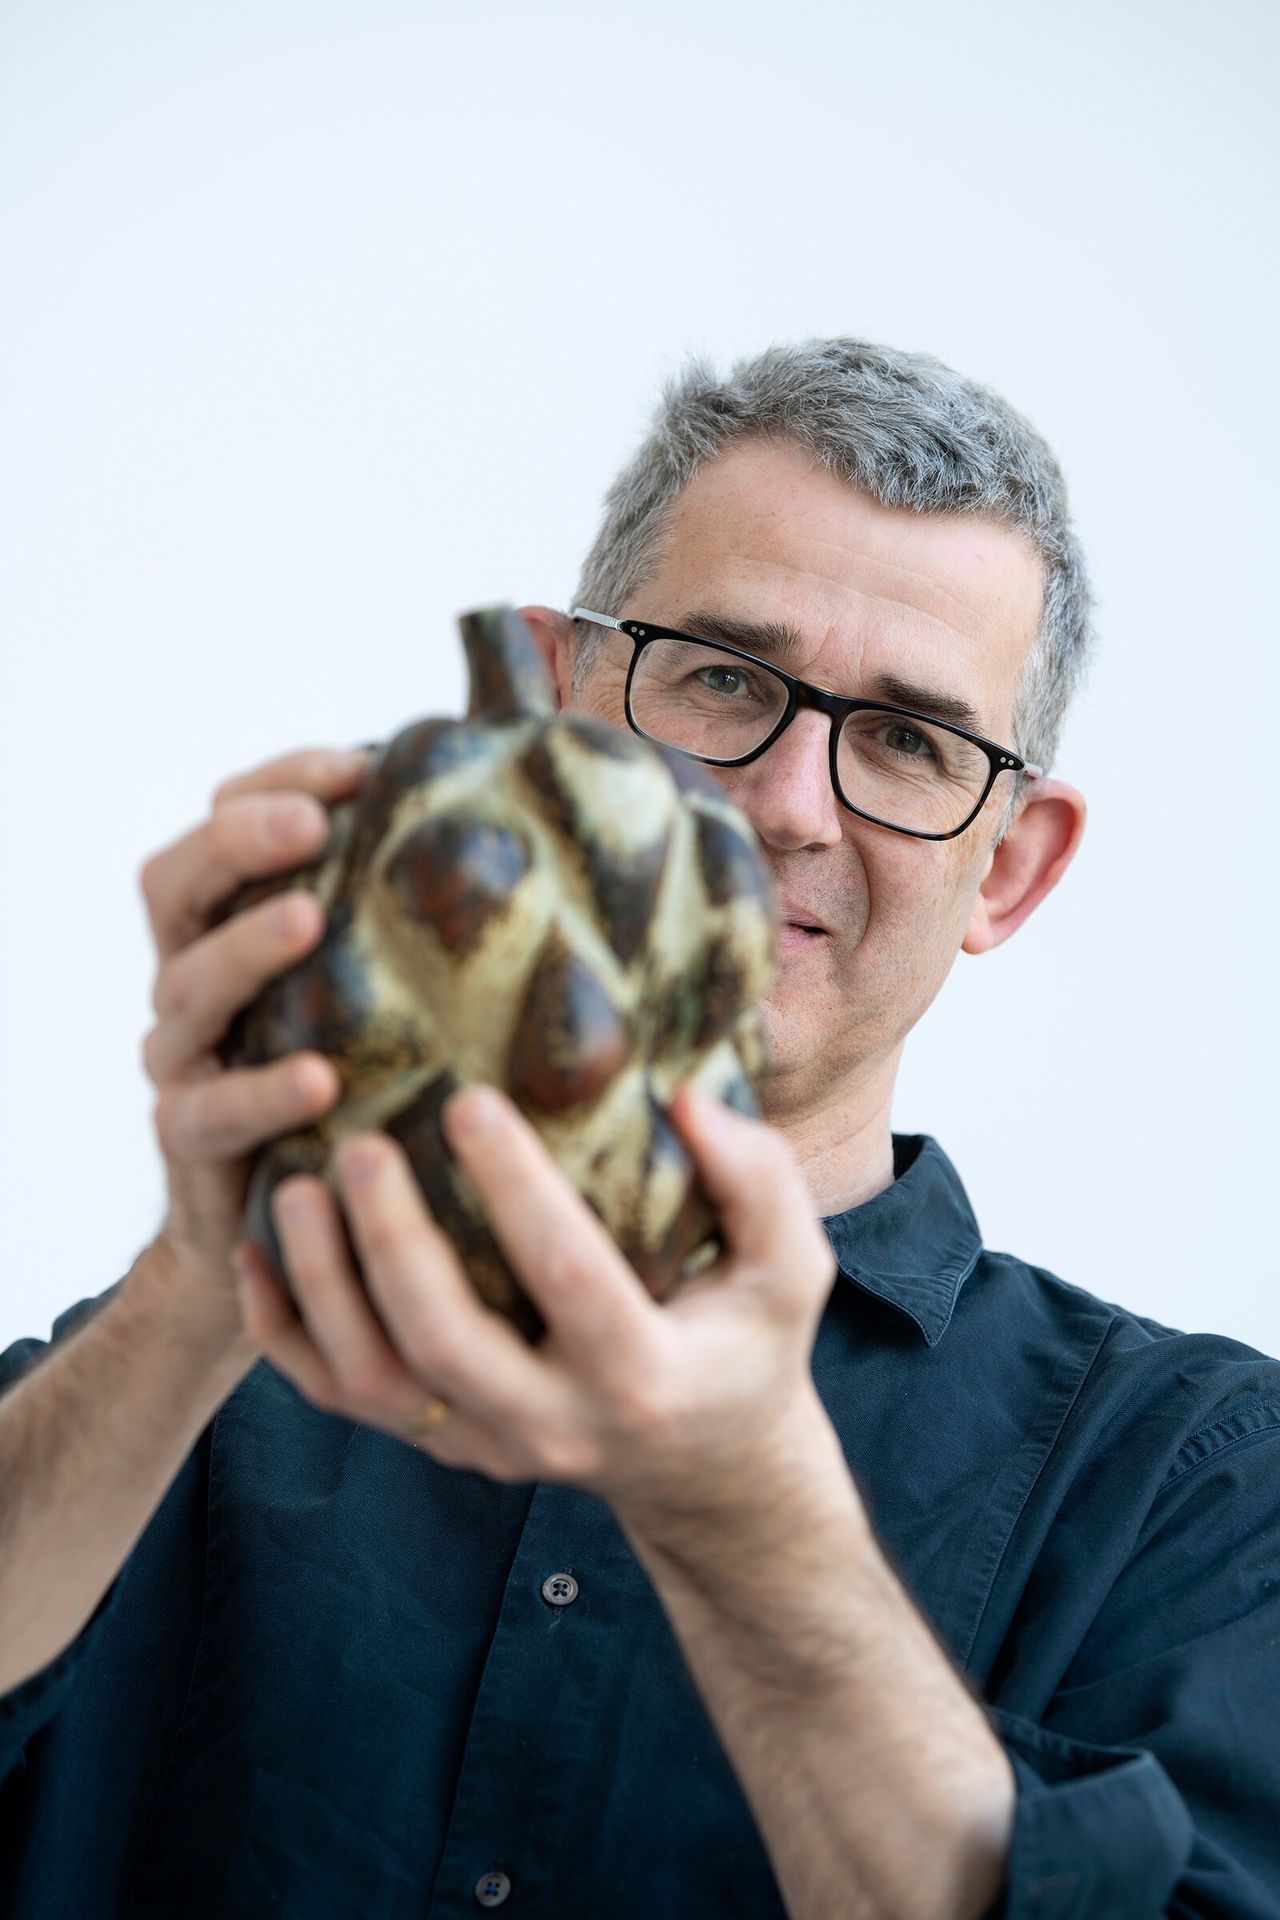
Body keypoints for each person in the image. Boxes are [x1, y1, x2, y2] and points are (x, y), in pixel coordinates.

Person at [1, 338, 1276, 1920]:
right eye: (725, 677)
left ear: (1007, 870)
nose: (792, 804)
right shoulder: (205, 1349)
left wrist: (747, 1514)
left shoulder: (1202, 1485)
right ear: (550, 699)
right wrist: (203, 1272)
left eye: (908, 741)